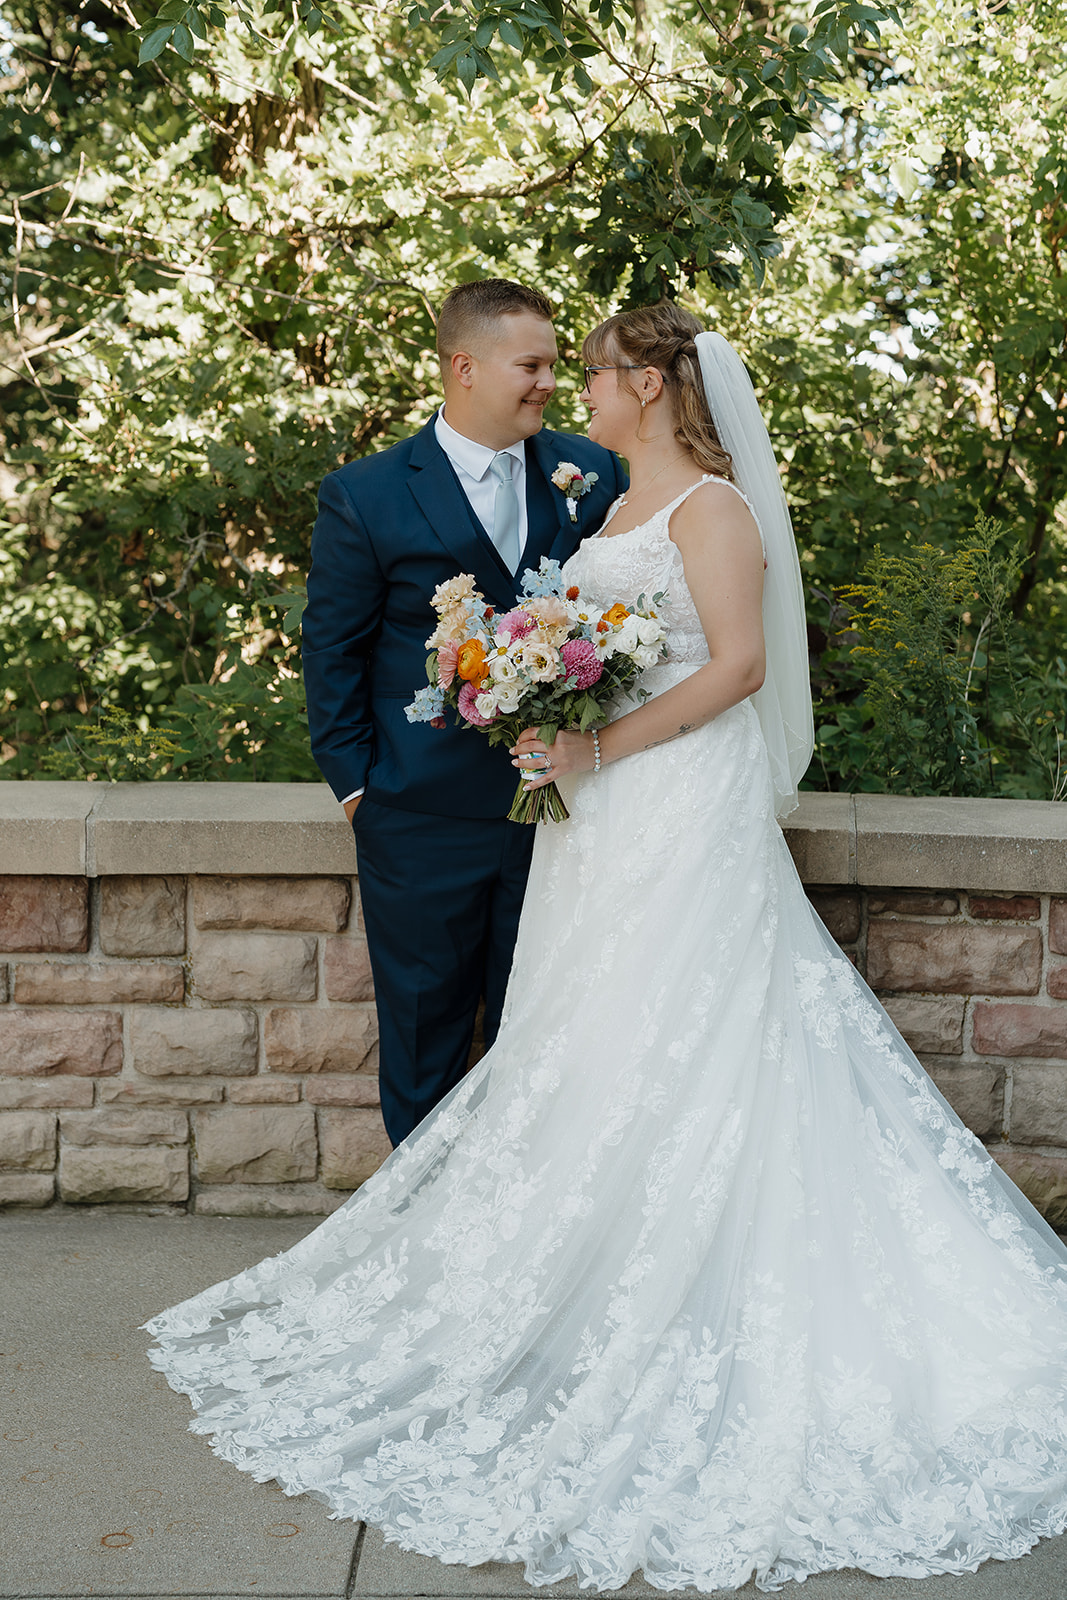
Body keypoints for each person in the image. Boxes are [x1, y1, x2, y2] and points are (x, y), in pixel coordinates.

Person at [146, 302, 1067, 1595]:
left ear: (644, 380)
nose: (573, 386)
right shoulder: (607, 505)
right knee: (581, 1032)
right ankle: (549, 1275)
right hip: (591, 819)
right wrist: (537, 711)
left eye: (587, 369)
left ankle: (673, 1287)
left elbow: (738, 666)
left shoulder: (712, 510)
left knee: (676, 1030)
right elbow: (578, 652)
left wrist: (596, 745)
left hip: (675, 809)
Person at [301, 279, 623, 1145]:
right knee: (424, 1032)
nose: (550, 381)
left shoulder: (592, 473)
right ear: (464, 366)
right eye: (532, 364)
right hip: (419, 814)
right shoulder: (364, 495)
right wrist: (359, 791)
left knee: (550, 1029)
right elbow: (331, 650)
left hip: (562, 810)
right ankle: (418, 1239)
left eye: (554, 365)